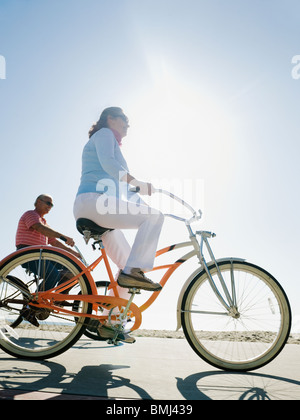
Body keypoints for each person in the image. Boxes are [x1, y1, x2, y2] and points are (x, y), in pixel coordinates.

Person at [73, 107, 164, 342]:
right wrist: (139, 183)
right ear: (110, 118)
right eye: (125, 120)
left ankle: (111, 324)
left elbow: (126, 190)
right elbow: (110, 164)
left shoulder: (108, 139)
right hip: (93, 202)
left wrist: (142, 197)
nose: (127, 125)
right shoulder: (103, 134)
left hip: (98, 206)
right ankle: (135, 272)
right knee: (154, 218)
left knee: (126, 265)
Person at [16, 194, 80, 291]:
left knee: (75, 270)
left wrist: (74, 254)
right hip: (29, 253)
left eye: (52, 205)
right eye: (48, 203)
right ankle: (36, 304)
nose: (50, 206)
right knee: (54, 275)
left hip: (42, 255)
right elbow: (40, 228)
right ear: (38, 201)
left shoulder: (44, 222)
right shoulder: (30, 214)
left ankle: (58, 298)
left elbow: (54, 243)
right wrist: (62, 236)